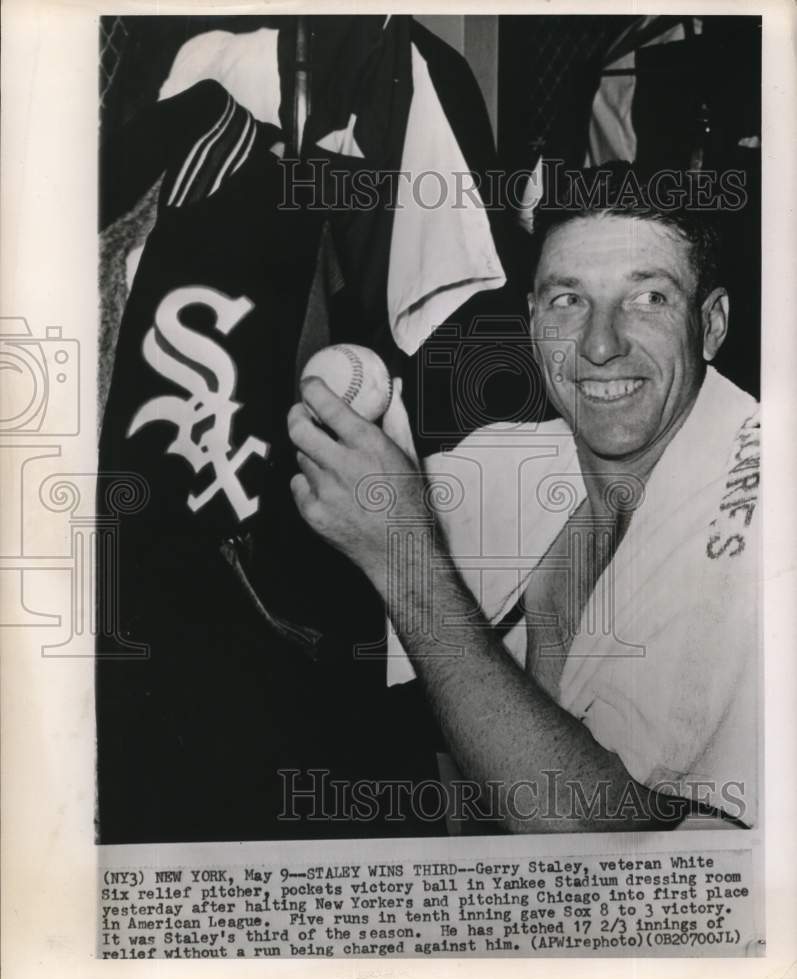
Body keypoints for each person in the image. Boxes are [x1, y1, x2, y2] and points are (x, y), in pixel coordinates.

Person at [286, 166, 760, 833]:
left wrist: (405, 561)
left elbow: (606, 844)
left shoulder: (761, 519)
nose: (599, 344)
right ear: (533, 319)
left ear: (709, 325)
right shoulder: (499, 466)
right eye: (568, 300)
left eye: (647, 298)